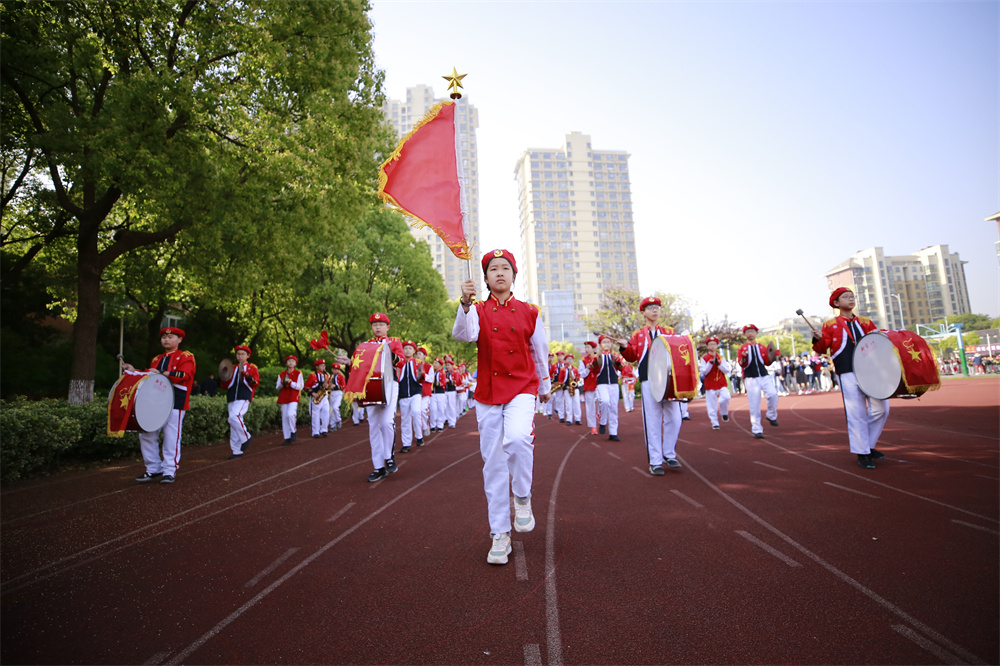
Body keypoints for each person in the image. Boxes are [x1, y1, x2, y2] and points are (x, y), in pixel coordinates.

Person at [453, 249, 551, 565]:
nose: (499, 273)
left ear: (514, 275)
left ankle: (522, 496)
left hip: (522, 387)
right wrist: (465, 303)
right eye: (493, 269)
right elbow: (464, 336)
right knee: (493, 464)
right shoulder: (478, 310)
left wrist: (546, 385)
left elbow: (540, 350)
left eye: (505, 268)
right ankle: (500, 534)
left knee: (519, 439)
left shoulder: (529, 311)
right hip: (488, 393)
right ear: (484, 278)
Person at [812, 287, 889, 469]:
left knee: (882, 409)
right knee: (857, 413)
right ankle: (863, 453)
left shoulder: (866, 321)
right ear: (836, 303)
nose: (850, 299)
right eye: (846, 297)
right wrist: (817, 339)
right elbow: (822, 349)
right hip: (847, 370)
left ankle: (867, 445)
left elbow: (877, 341)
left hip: (870, 370)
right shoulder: (830, 325)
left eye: (852, 296)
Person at [618, 296, 682, 473]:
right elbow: (632, 357)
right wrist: (624, 347)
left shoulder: (669, 331)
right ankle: (655, 461)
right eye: (651, 308)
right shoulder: (637, 334)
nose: (655, 310)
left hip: (669, 380)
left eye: (657, 307)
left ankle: (669, 453)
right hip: (648, 380)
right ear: (643, 312)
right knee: (652, 420)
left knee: (676, 418)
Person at [124, 327, 195, 484]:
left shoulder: (186, 356)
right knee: (146, 433)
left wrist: (162, 373)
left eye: (170, 337)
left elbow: (184, 375)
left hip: (176, 401)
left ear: (180, 339)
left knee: (171, 437)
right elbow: (148, 375)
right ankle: (153, 468)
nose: (166, 340)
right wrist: (133, 370)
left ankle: (169, 470)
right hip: (155, 402)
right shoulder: (156, 358)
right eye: (164, 337)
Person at [343, 313, 406, 483]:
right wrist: (349, 363)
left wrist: (388, 353)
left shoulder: (394, 342)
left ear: (388, 327)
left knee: (386, 422)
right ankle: (379, 467)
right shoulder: (364, 345)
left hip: (390, 384)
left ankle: (389, 455)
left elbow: (401, 362)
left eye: (381, 324)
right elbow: (358, 366)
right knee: (373, 426)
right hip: (369, 387)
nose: (377, 327)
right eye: (374, 324)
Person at [737, 325, 779, 439]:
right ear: (744, 334)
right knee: (754, 404)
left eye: (752, 331)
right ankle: (757, 429)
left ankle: (771, 415)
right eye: (748, 331)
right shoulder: (742, 348)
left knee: (773, 394)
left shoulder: (762, 347)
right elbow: (741, 363)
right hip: (751, 378)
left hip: (764, 375)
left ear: (756, 333)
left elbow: (767, 362)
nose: (750, 333)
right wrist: (744, 357)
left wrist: (774, 356)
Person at [221, 344, 260, 459]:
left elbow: (255, 383)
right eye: (238, 354)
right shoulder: (232, 367)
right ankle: (236, 451)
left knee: (234, 416)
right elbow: (224, 385)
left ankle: (246, 437)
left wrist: (247, 375)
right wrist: (224, 376)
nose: (240, 356)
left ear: (248, 356)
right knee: (234, 423)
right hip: (232, 395)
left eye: (243, 354)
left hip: (244, 395)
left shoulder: (252, 367)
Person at [593, 335, 626, 441]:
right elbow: (594, 370)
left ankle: (613, 432)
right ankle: (602, 422)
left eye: (608, 342)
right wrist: (591, 365)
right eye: (604, 342)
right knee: (605, 401)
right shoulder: (597, 357)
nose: (606, 344)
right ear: (600, 345)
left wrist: (619, 362)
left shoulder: (615, 356)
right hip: (602, 383)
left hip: (614, 383)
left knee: (614, 408)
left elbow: (621, 368)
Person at [397, 341, 424, 453]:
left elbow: (421, 376)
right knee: (405, 419)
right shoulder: (399, 363)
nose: (407, 350)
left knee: (416, 411)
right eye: (405, 348)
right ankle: (406, 443)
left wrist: (421, 375)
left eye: (410, 348)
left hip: (415, 392)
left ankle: (419, 436)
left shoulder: (418, 362)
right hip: (403, 394)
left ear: (414, 351)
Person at [700, 336, 731, 430]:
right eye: (710, 344)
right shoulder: (704, 358)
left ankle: (724, 412)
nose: (712, 346)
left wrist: (719, 364)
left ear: (717, 346)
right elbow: (704, 372)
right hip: (710, 383)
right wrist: (710, 363)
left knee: (725, 397)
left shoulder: (721, 357)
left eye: (714, 344)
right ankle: (714, 422)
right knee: (711, 404)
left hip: (721, 382)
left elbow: (726, 370)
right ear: (707, 346)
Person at [276, 355, 304, 445]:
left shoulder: (298, 373)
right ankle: (287, 437)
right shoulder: (281, 374)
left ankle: (293, 430)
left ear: (295, 363)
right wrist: (282, 383)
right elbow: (277, 387)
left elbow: (300, 386)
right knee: (284, 417)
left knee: (290, 414)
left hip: (293, 397)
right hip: (284, 396)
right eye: (289, 361)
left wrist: (290, 382)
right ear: (286, 363)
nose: (291, 363)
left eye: (293, 361)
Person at [304, 359, 331, 438]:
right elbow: (306, 386)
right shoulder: (312, 375)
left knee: (326, 412)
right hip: (315, 397)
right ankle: (315, 431)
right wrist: (313, 393)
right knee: (315, 414)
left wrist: (327, 386)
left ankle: (324, 429)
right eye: (322, 366)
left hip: (324, 396)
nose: (324, 367)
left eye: (324, 365)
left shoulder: (326, 375)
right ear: (317, 367)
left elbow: (327, 385)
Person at [580, 340, 601, 434]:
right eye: (586, 348)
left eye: (588, 348)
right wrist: (587, 369)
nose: (586, 350)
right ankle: (593, 426)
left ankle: (600, 415)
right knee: (590, 406)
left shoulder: (600, 358)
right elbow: (582, 374)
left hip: (599, 384)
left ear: (594, 349)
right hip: (588, 385)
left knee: (602, 401)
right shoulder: (583, 360)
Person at [416, 347, 433, 436]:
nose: (418, 356)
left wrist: (423, 374)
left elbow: (431, 379)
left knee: (423, 410)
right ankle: (419, 432)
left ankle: (425, 426)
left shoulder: (429, 366)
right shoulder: (412, 364)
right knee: (416, 412)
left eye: (420, 354)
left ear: (424, 356)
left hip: (425, 392)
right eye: (417, 354)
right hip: (415, 392)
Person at [563, 352, 583, 425]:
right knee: (568, 404)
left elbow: (578, 378)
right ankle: (569, 419)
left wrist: (575, 378)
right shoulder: (563, 369)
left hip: (575, 388)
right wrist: (565, 387)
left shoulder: (575, 369)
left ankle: (578, 419)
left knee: (577, 403)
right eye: (568, 359)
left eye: (571, 359)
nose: (569, 361)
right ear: (565, 360)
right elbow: (560, 380)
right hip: (567, 388)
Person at [429, 357, 448, 431]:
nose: (435, 365)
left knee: (441, 409)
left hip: (440, 393)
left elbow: (443, 383)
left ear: (440, 365)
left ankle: (440, 425)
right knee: (433, 409)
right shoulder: (432, 372)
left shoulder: (442, 372)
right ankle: (432, 425)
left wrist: (436, 383)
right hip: (433, 393)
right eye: (434, 363)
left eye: (436, 363)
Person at [327, 362, 346, 431]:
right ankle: (333, 425)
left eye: (336, 369)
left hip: (338, 393)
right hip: (332, 393)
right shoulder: (330, 376)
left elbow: (343, 386)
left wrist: (335, 386)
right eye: (333, 369)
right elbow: (327, 384)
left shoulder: (341, 376)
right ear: (332, 369)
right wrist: (329, 386)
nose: (335, 371)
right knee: (331, 410)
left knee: (335, 407)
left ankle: (339, 420)